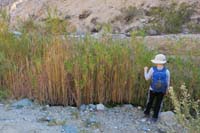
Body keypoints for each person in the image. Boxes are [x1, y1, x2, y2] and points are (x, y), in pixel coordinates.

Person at [143, 54, 170, 122]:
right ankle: (155, 117)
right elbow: (168, 82)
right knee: (158, 104)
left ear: (156, 62)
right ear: (164, 62)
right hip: (162, 90)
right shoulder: (167, 71)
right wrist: (167, 90)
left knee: (150, 102)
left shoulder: (152, 69)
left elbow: (147, 78)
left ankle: (146, 113)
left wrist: (145, 70)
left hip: (152, 89)